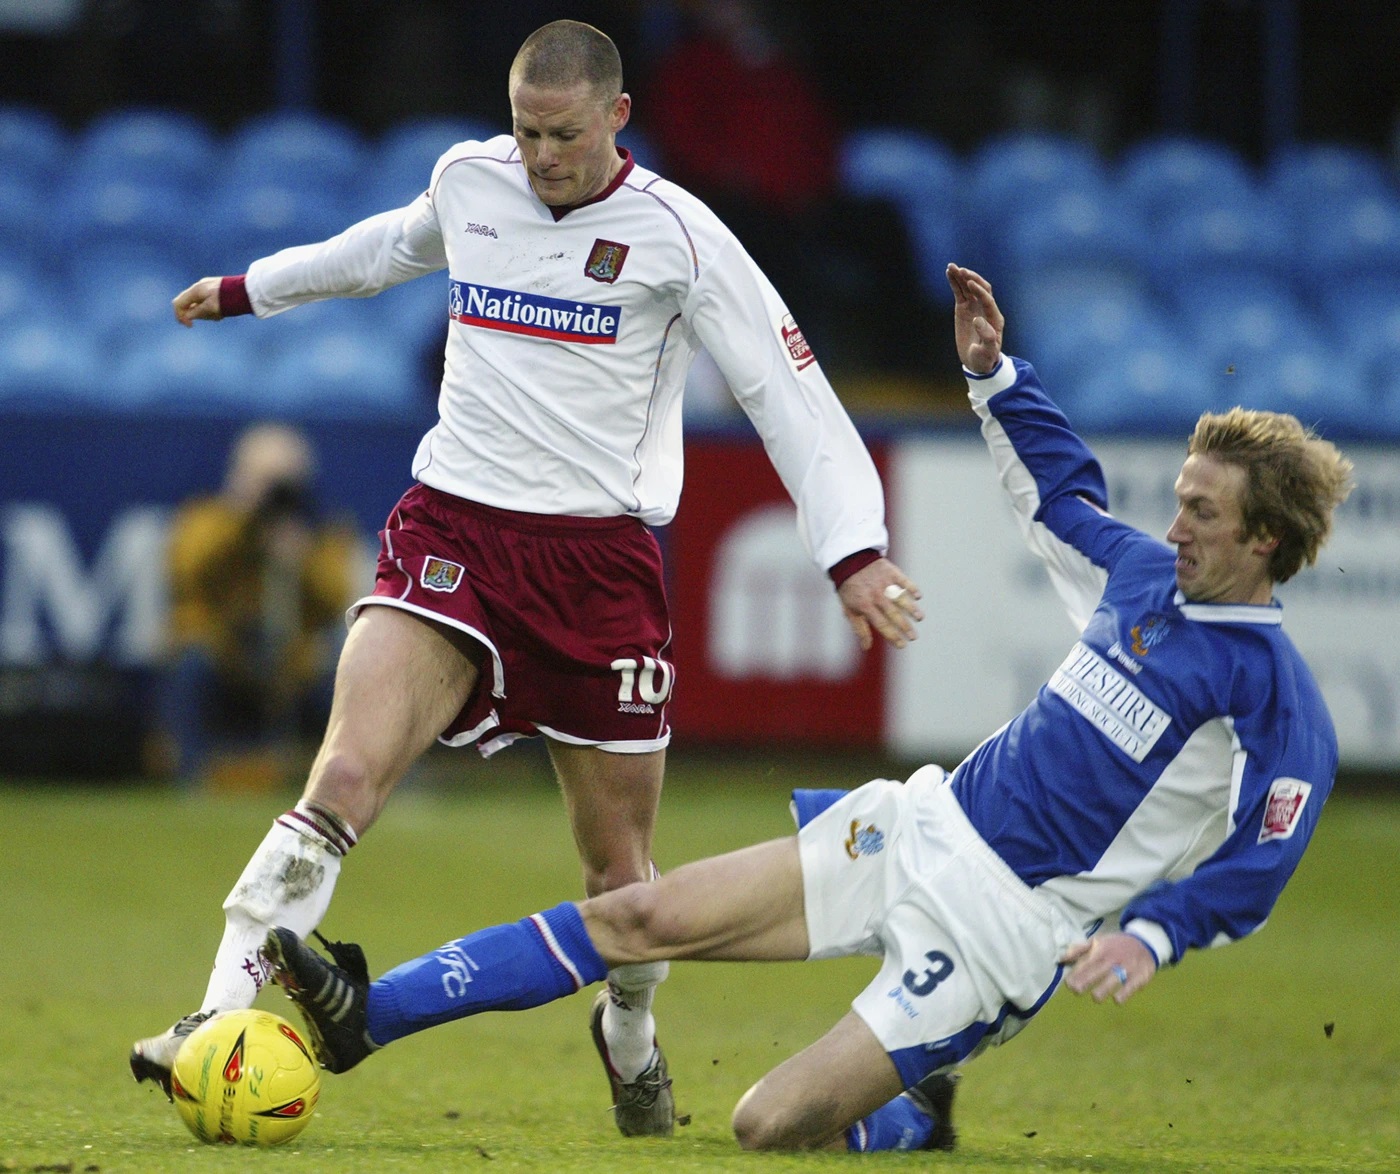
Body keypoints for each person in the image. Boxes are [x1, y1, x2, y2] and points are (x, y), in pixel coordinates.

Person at [258, 263, 1353, 1152]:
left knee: (766, 1124)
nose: (1173, 527)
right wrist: (994, 377)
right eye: (1177, 502)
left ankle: (910, 1112)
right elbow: (1061, 500)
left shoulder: (1274, 701)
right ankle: (369, 1013)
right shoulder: (1139, 581)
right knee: (640, 916)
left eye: (1201, 514)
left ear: (1263, 542)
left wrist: (1154, 936)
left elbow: (1264, 858)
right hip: (918, 825)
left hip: (1002, 933)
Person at [129, 19, 924, 1138]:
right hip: (452, 530)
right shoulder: (470, 181)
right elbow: (379, 250)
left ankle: (629, 1033)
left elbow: (784, 391)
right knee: (344, 773)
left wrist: (853, 549)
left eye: (561, 134)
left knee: (622, 882)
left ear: (615, 118)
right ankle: (211, 1019)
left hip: (599, 569)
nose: (541, 156)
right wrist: (246, 289)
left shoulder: (679, 238)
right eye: (524, 130)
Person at [156, 423, 359, 785]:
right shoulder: (208, 519)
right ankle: (189, 779)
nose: (275, 494)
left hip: (292, 664)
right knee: (190, 663)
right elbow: (189, 573)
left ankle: (357, 781)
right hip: (224, 653)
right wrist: (242, 522)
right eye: (266, 480)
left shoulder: (321, 533)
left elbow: (337, 601)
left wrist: (301, 557)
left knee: (348, 675)